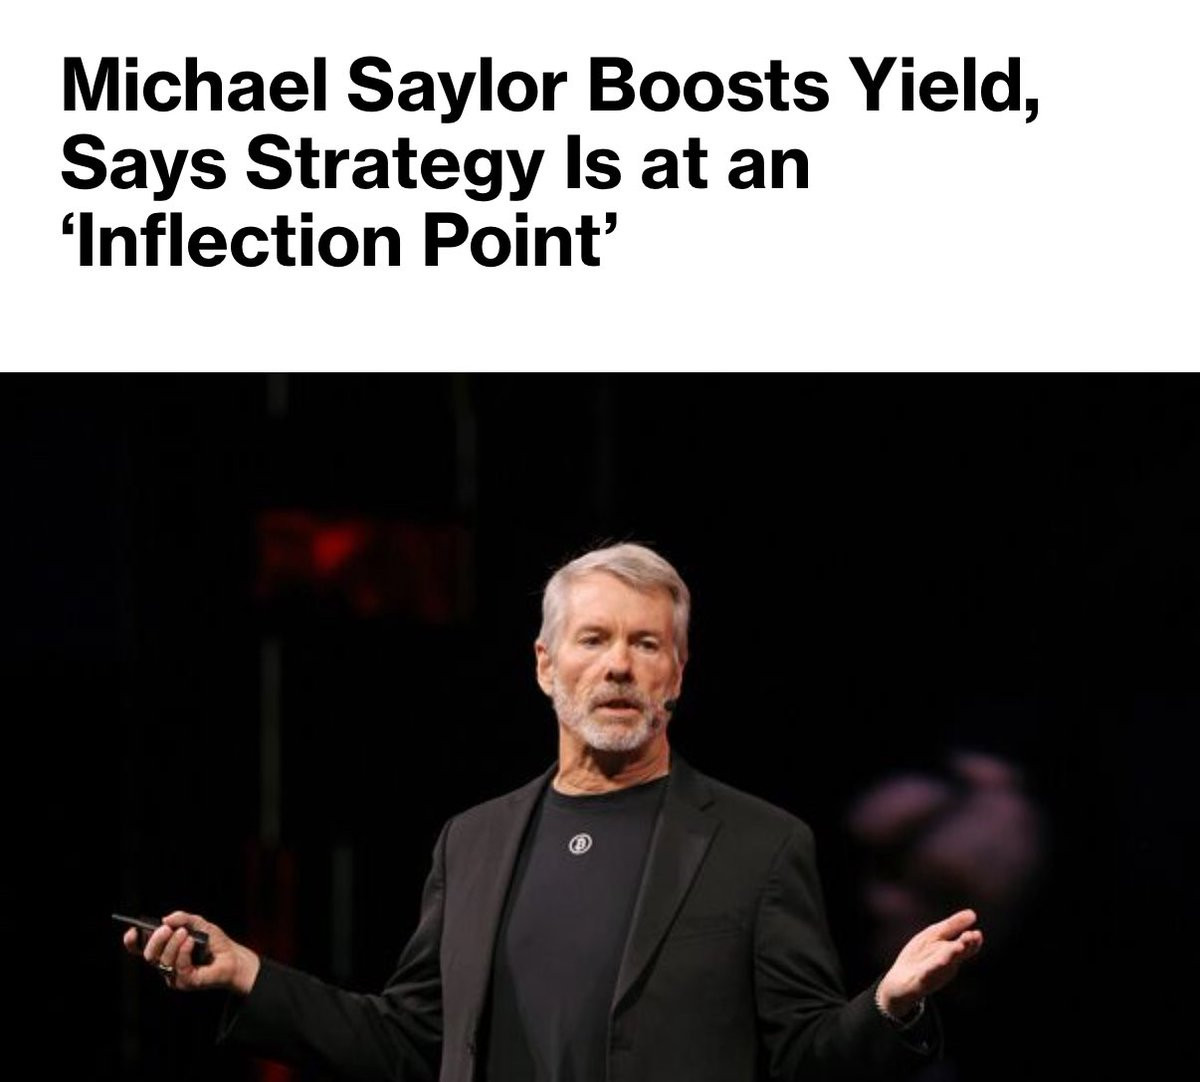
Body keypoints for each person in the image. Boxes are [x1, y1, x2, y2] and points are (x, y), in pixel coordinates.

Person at [124, 542, 983, 1082]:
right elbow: (412, 1040)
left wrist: (888, 1005)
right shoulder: (473, 842)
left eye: (646, 644)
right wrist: (248, 974)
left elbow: (801, 1058)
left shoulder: (759, 845)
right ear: (544, 665)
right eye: (594, 639)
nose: (619, 666)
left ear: (678, 674)